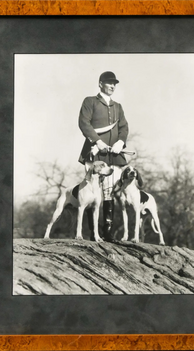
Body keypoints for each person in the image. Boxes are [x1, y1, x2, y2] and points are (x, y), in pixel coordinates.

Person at [78, 71, 129, 242]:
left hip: (113, 155)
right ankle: (93, 234)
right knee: (90, 190)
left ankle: (106, 233)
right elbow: (83, 123)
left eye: (114, 83)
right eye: (109, 83)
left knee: (108, 191)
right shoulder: (90, 101)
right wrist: (97, 141)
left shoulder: (118, 106)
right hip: (94, 151)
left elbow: (124, 127)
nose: (112, 86)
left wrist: (120, 142)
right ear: (100, 84)